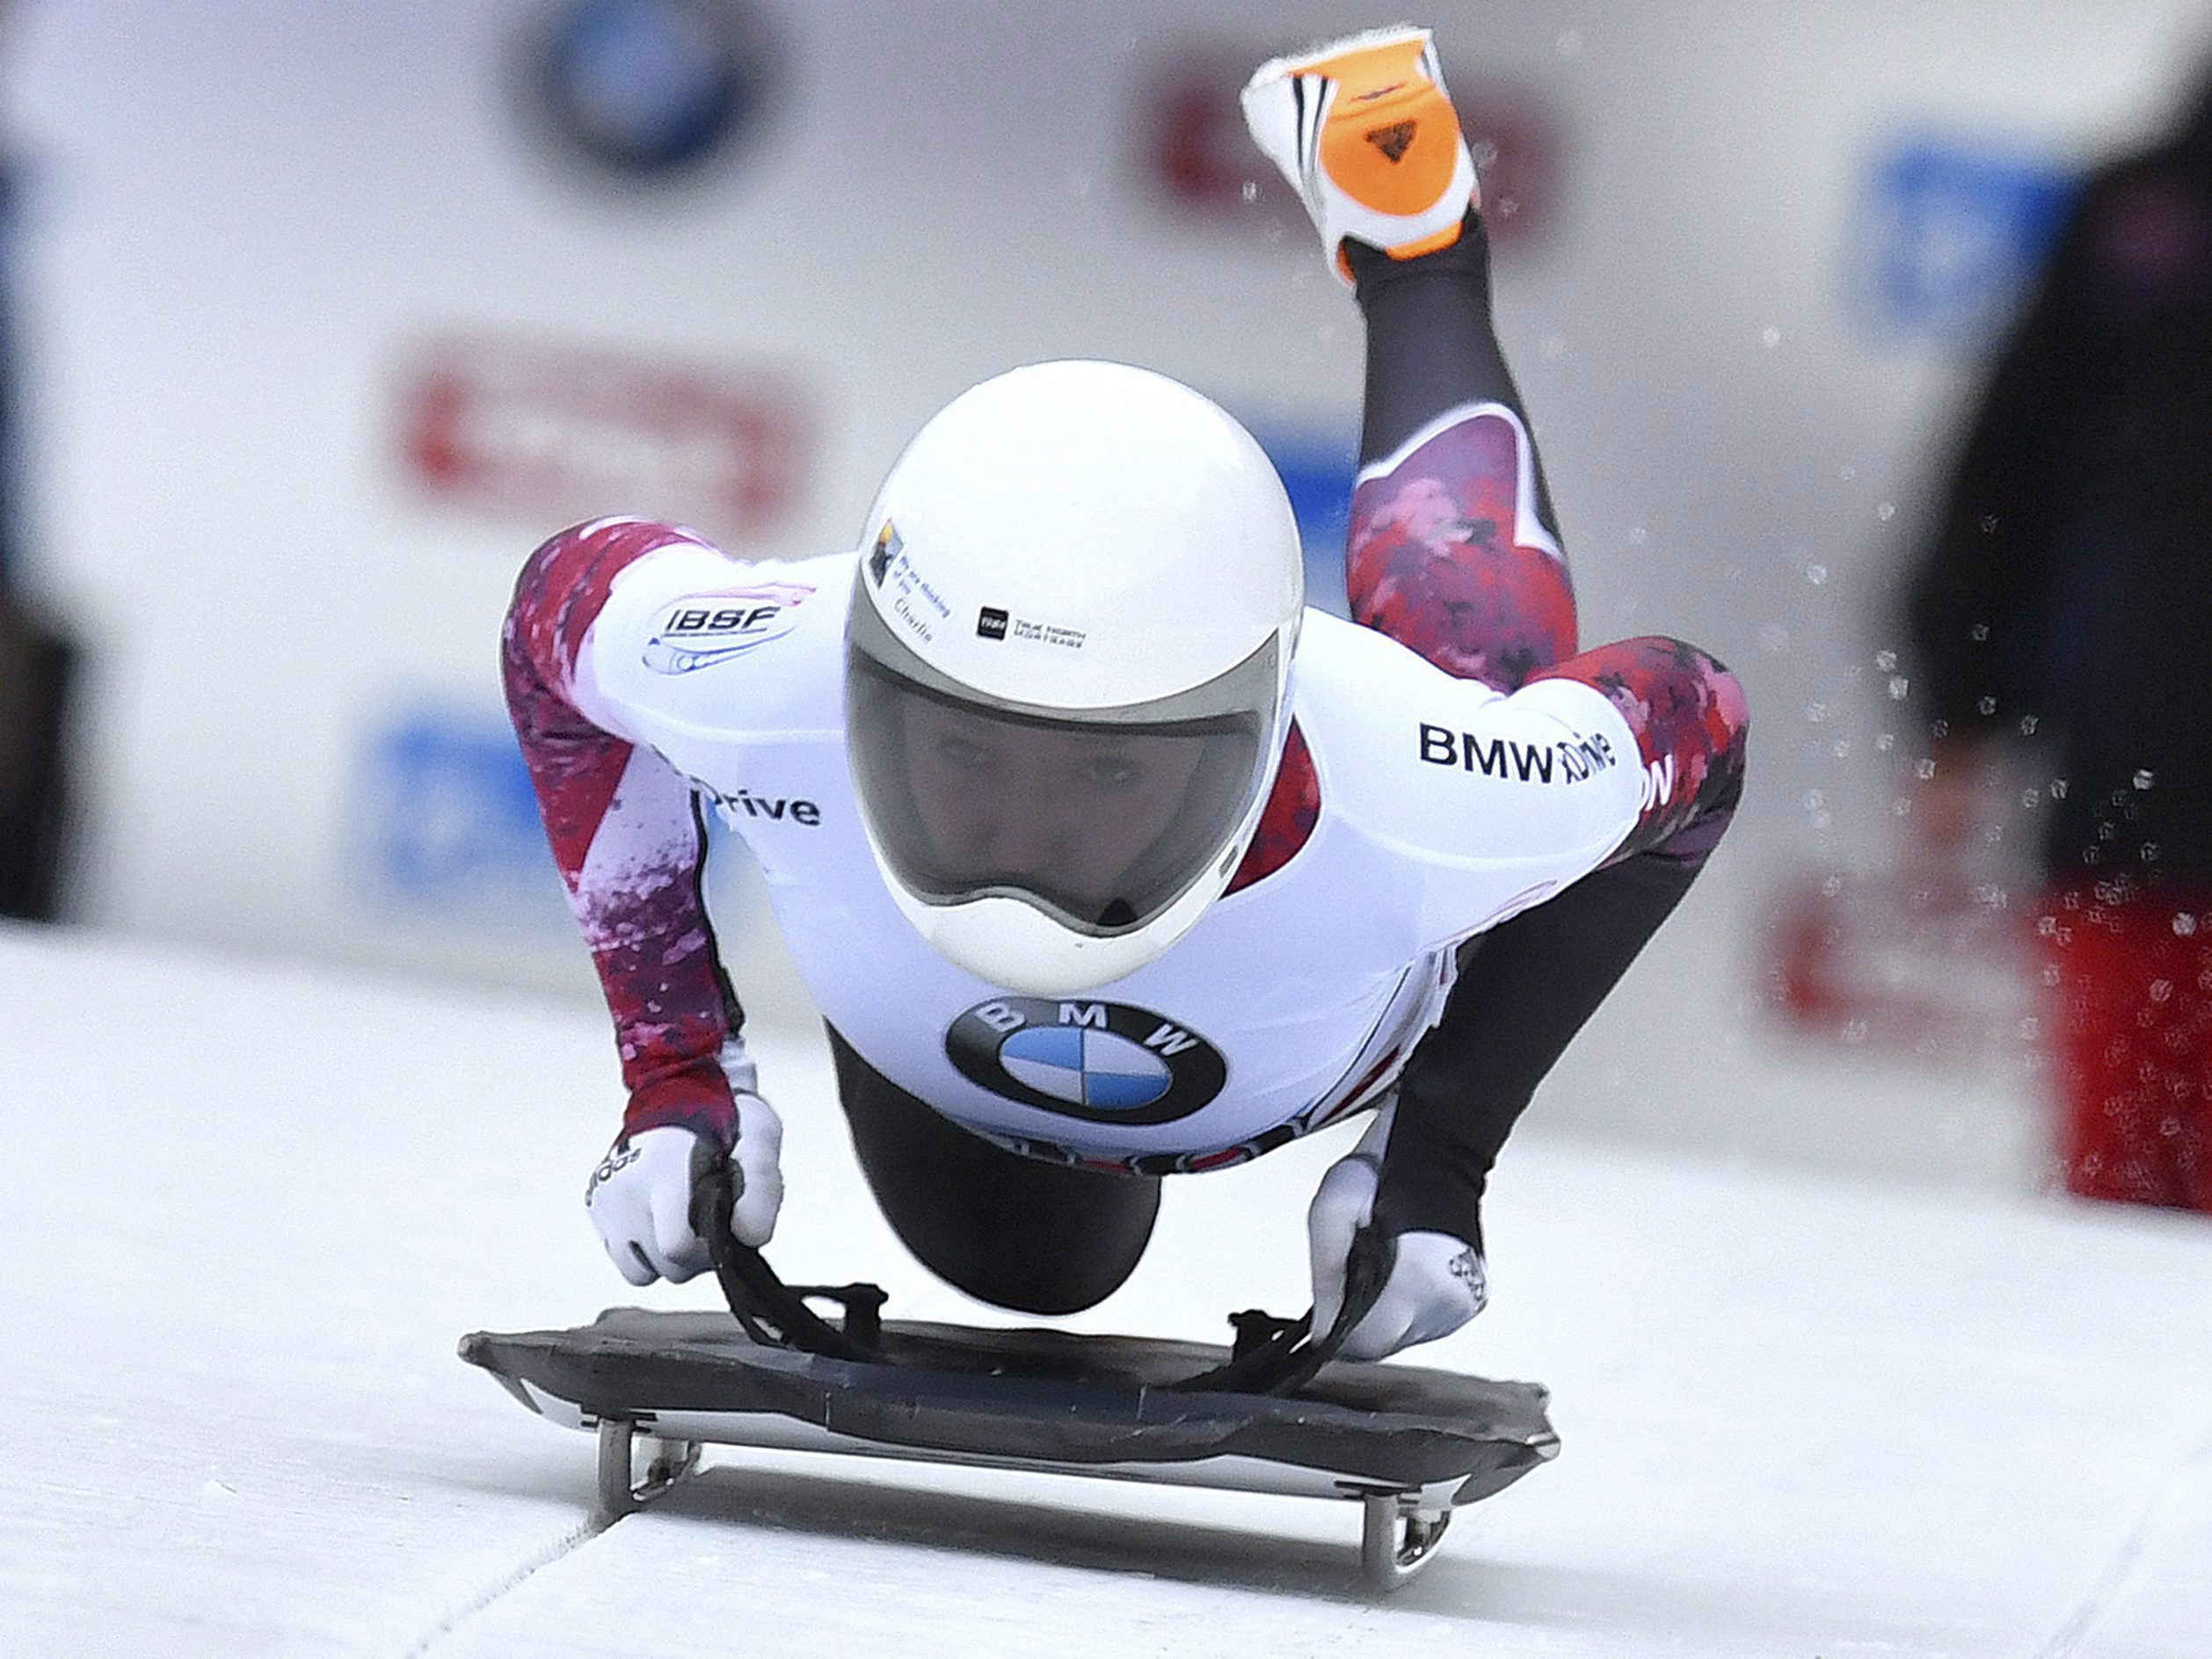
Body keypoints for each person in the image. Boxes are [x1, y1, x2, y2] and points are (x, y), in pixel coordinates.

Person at [503, 26, 1750, 1359]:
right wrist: (679, 1077)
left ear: (1259, 736)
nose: (1024, 853)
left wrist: (1437, 1153)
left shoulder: (1419, 785)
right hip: (951, 1074)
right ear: (870, 683)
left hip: (1209, 1011)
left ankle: (1418, 253)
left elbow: (1700, 725)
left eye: (1107, 771)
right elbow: (553, 619)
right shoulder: (772, 671)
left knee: (1475, 682)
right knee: (1032, 1271)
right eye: (965, 755)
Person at [1902, 65, 2212, 1215]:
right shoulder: (2140, 212)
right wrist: (1958, 709)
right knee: (2119, 1193)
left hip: (2133, 777)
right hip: (2131, 791)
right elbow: (2006, 472)